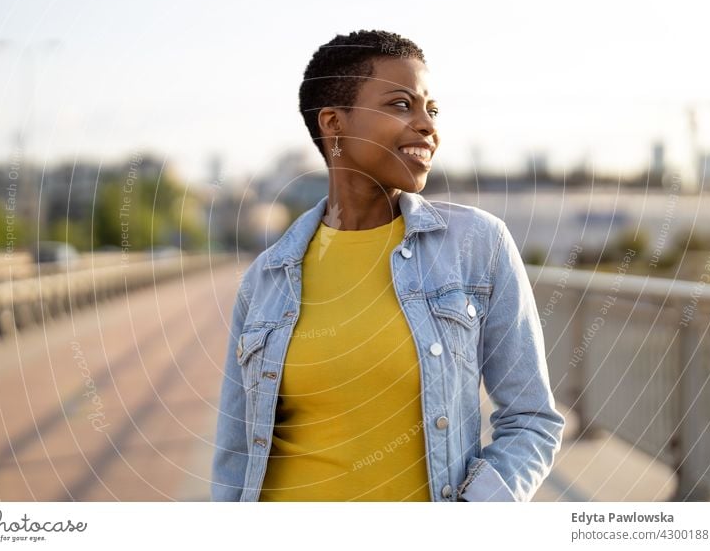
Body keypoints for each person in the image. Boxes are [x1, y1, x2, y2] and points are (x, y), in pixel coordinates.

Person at [211, 29, 565, 502]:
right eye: (401, 105)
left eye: (431, 109)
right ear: (334, 123)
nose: (427, 125)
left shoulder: (478, 246)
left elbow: (531, 418)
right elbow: (236, 454)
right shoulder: (266, 278)